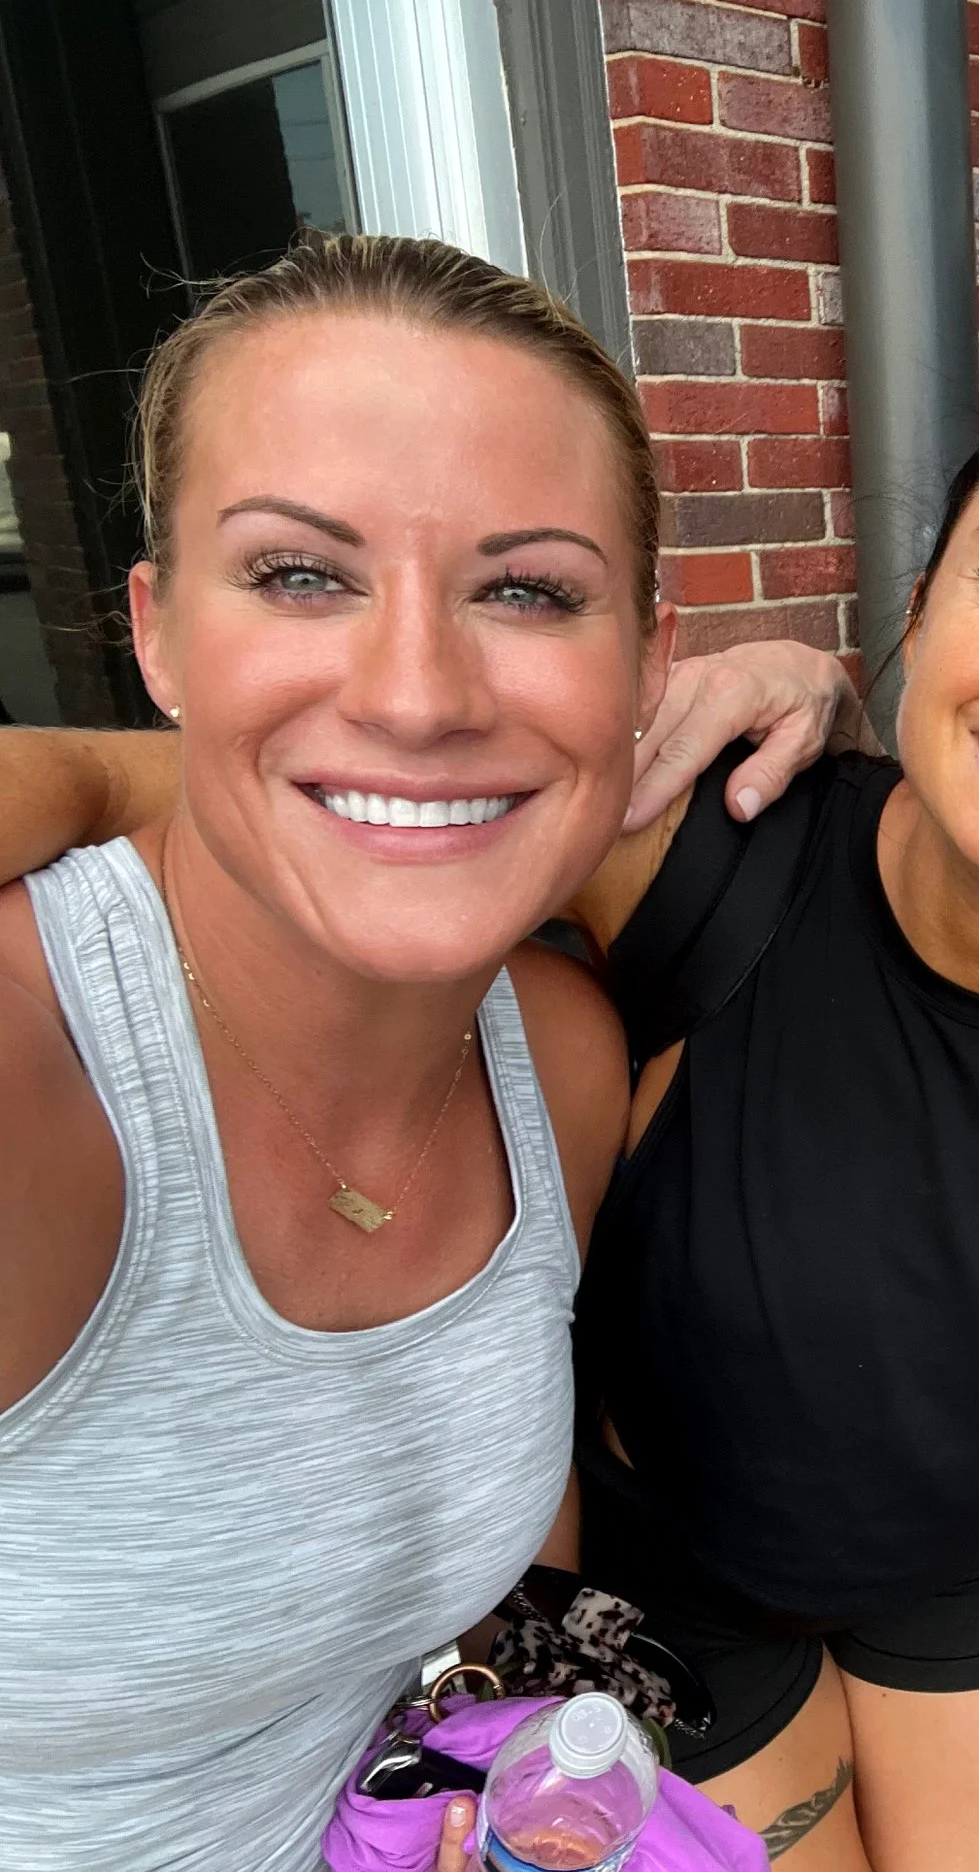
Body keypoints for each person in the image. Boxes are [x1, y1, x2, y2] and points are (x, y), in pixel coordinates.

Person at [0, 366, 979, 1871]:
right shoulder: (696, 851)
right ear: (920, 611)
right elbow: (301, 793)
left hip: (958, 1562)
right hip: (674, 1591)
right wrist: (55, 766)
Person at [0, 234, 666, 1872]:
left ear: (651, 662)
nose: (420, 690)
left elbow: (493, 1583)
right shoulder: (34, 1074)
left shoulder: (559, 1060)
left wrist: (490, 1763)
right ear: (157, 634)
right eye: (302, 573)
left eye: (529, 588)